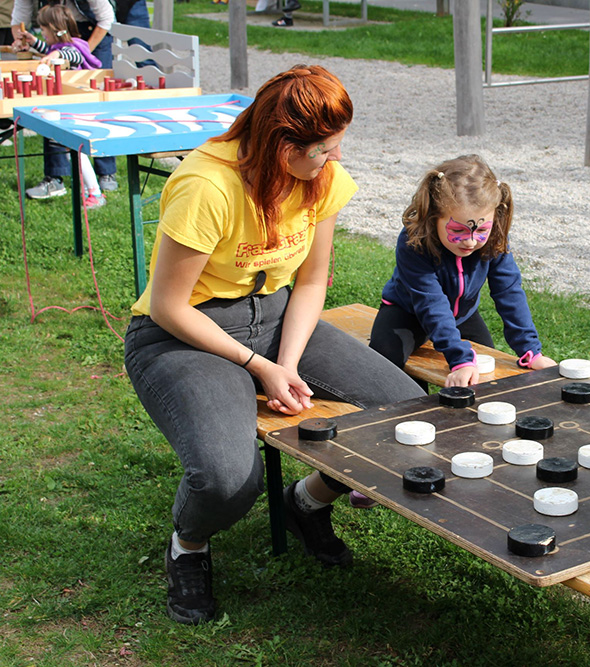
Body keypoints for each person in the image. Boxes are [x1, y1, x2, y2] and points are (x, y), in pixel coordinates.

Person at [123, 65, 424, 625]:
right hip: (183, 334)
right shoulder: (206, 186)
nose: (333, 161)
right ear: (283, 145)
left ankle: (305, 504)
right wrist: (259, 367)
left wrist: (285, 362)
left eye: (337, 148)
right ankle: (188, 546)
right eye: (323, 151)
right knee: (227, 480)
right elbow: (169, 304)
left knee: (410, 419)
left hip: (279, 318)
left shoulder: (322, 179)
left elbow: (311, 281)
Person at [369, 154, 557, 389]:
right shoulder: (414, 242)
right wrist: (458, 358)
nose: (470, 241)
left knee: (485, 373)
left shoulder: (494, 240)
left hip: (463, 317)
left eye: (481, 230)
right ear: (433, 216)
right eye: (458, 230)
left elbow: (509, 293)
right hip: (408, 313)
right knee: (385, 359)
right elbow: (430, 303)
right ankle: (412, 409)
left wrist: (531, 351)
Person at [11, 0, 119, 197]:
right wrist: (33, 42)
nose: (41, 33)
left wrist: (57, 54)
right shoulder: (63, 43)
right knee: (59, 140)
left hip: (78, 101)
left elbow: (73, 52)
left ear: (52, 30)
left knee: (84, 140)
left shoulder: (72, 47)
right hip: (67, 101)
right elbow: (50, 44)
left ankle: (97, 186)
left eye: (42, 30)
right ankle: (57, 179)